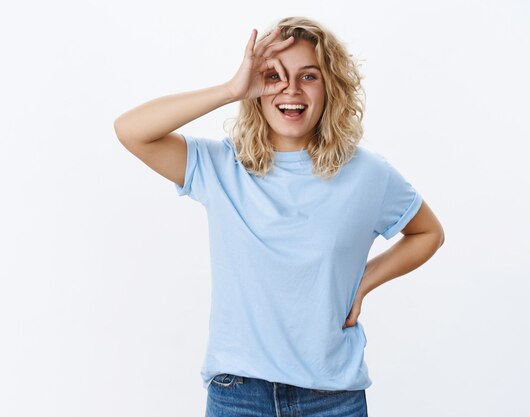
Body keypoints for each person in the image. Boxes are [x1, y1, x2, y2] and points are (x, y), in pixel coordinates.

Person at [114, 16, 444, 417]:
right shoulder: (222, 166)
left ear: (330, 88)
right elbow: (131, 130)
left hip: (332, 398)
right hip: (238, 396)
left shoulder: (368, 174)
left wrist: (364, 282)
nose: (290, 89)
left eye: (308, 76)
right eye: (274, 76)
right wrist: (229, 89)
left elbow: (428, 233)